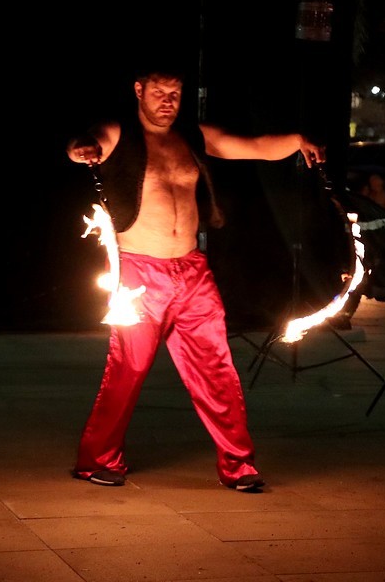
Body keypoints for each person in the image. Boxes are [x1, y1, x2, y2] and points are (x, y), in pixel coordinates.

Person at [66, 66, 325, 491]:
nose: (168, 101)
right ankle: (97, 459)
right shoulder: (117, 134)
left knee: (217, 370)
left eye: (175, 93)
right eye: (159, 92)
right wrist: (82, 149)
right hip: (138, 273)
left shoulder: (192, 136)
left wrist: (298, 141)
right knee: (128, 368)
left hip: (191, 271)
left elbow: (254, 146)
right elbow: (84, 142)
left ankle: (239, 466)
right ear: (139, 90)